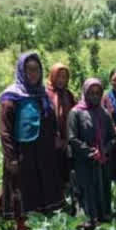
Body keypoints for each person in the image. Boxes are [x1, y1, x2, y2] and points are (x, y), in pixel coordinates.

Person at [0, 51, 64, 230]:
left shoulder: (42, 94)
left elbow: (51, 120)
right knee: (24, 196)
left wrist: (55, 136)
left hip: (42, 154)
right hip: (22, 156)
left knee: (42, 193)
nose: (33, 74)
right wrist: (11, 159)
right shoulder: (11, 98)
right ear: (21, 71)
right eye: (29, 70)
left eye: (36, 70)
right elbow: (5, 131)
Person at [67, 78, 116, 229]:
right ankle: (86, 226)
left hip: (101, 162)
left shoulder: (104, 113)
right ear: (85, 93)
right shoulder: (76, 113)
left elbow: (113, 137)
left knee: (102, 191)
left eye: (98, 93)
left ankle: (103, 222)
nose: (95, 96)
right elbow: (72, 137)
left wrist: (104, 150)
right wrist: (90, 152)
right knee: (85, 192)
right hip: (83, 162)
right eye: (91, 93)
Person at [46, 62, 76, 205]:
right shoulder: (45, 94)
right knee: (53, 172)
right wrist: (54, 137)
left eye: (64, 77)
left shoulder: (68, 94)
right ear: (52, 76)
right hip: (51, 141)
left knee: (66, 172)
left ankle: (66, 203)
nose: (61, 80)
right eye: (59, 77)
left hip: (67, 140)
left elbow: (74, 114)